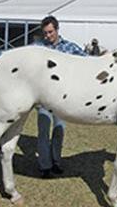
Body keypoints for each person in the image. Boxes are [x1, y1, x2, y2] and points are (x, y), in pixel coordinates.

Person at [35, 16, 87, 178]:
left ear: (57, 30)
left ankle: (56, 162)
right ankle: (45, 166)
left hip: (63, 100)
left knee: (59, 130)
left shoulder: (70, 48)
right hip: (43, 99)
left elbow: (88, 62)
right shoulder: (38, 48)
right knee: (43, 132)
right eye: (45, 33)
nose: (47, 36)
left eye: (50, 32)